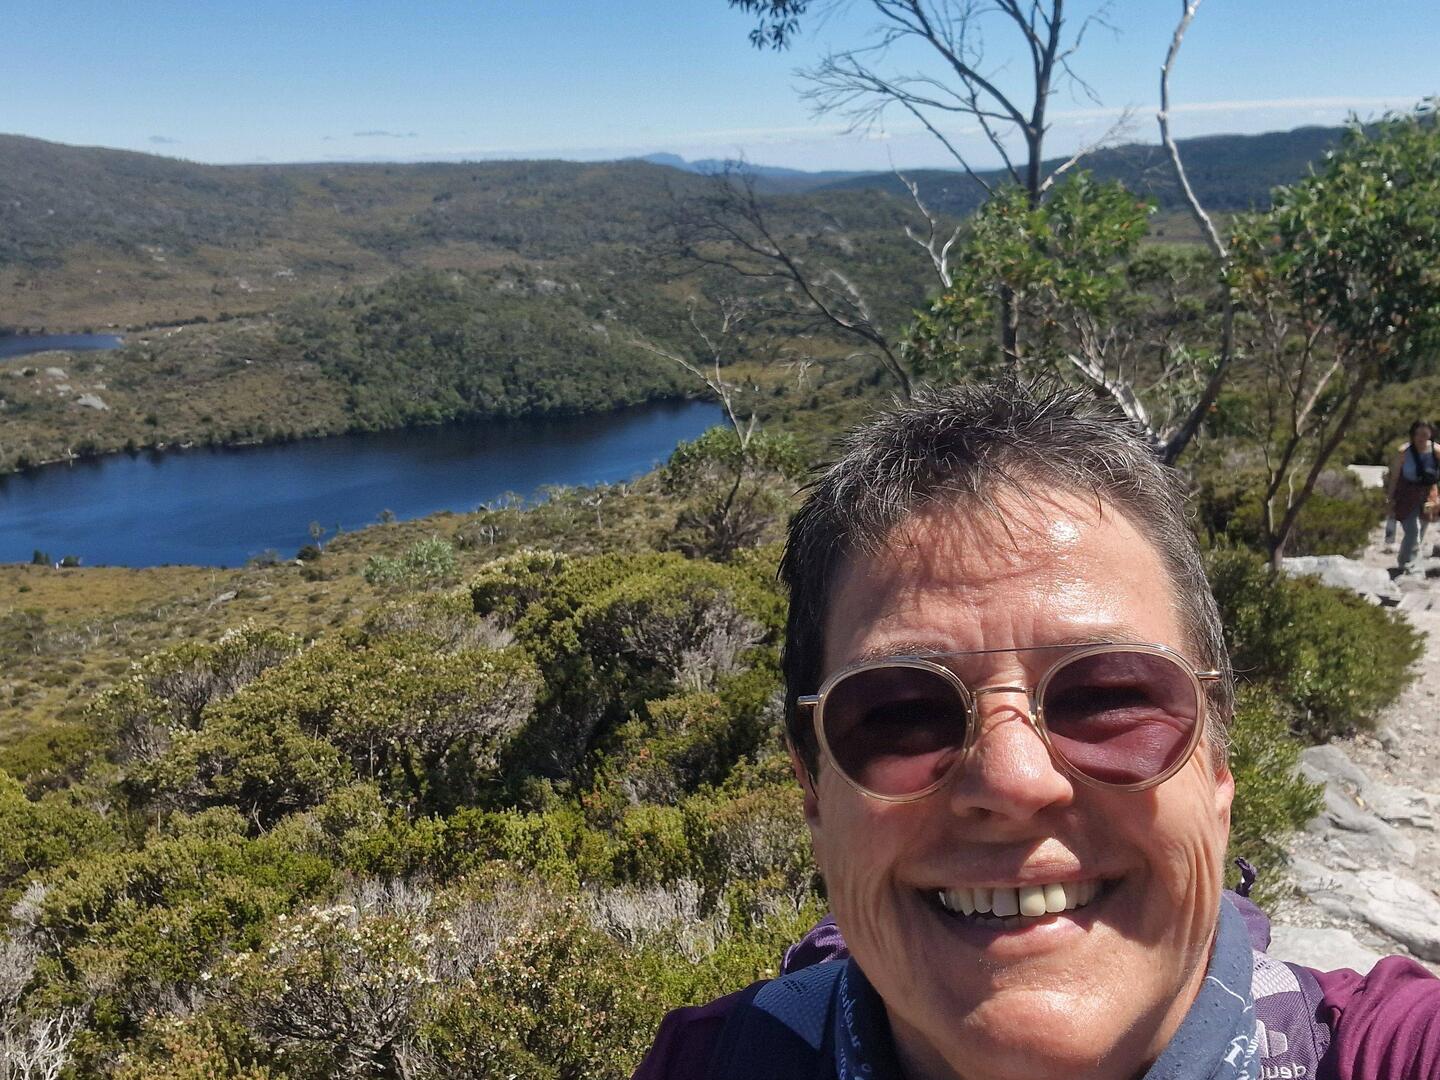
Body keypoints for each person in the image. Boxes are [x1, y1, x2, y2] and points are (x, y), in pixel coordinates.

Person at [633, 383, 1440, 1080]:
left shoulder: (1387, 1050)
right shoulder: (704, 1062)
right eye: (901, 713)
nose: (1014, 781)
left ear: (1218, 765)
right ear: (813, 789)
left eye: (1108, 698)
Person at [1386, 420, 1440, 575]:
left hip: (1428, 495)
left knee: (1422, 528)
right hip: (1406, 494)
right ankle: (1407, 564)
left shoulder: (1436, 451)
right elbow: (1395, 476)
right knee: (1412, 530)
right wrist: (1390, 497)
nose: (1421, 438)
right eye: (1418, 434)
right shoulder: (1404, 451)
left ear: (1430, 435)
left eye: (1425, 434)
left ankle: (1409, 559)